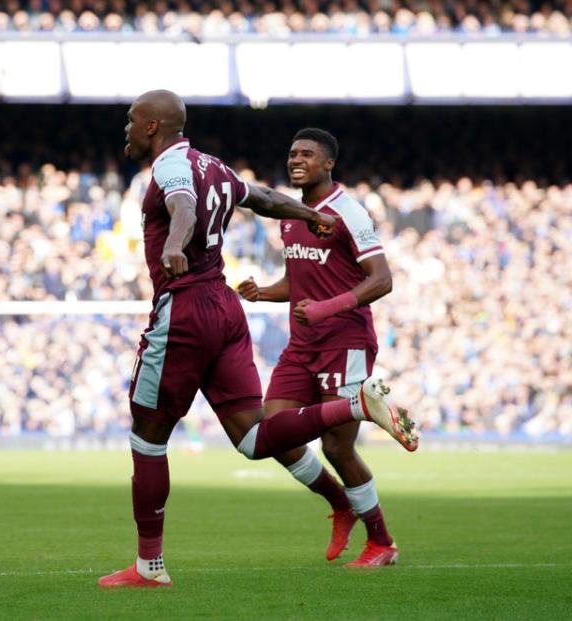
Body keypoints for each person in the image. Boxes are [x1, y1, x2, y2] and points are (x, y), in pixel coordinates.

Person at [98, 91, 417, 589]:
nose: (125, 128)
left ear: (152, 126)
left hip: (188, 309)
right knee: (256, 438)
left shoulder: (169, 169)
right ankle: (347, 445)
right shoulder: (216, 167)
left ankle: (149, 567)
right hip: (226, 307)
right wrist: (307, 220)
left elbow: (181, 205)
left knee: (146, 435)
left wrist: (178, 244)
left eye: (131, 120)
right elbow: (264, 200)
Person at [237, 128, 406, 567]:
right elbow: (299, 282)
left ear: (328, 163)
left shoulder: (348, 211)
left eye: (307, 155)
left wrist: (327, 308)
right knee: (272, 433)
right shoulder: (290, 214)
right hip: (304, 343)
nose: (297, 160)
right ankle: (340, 503)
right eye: (292, 153)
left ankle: (382, 543)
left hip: (345, 340)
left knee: (337, 448)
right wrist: (264, 293)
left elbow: (382, 279)